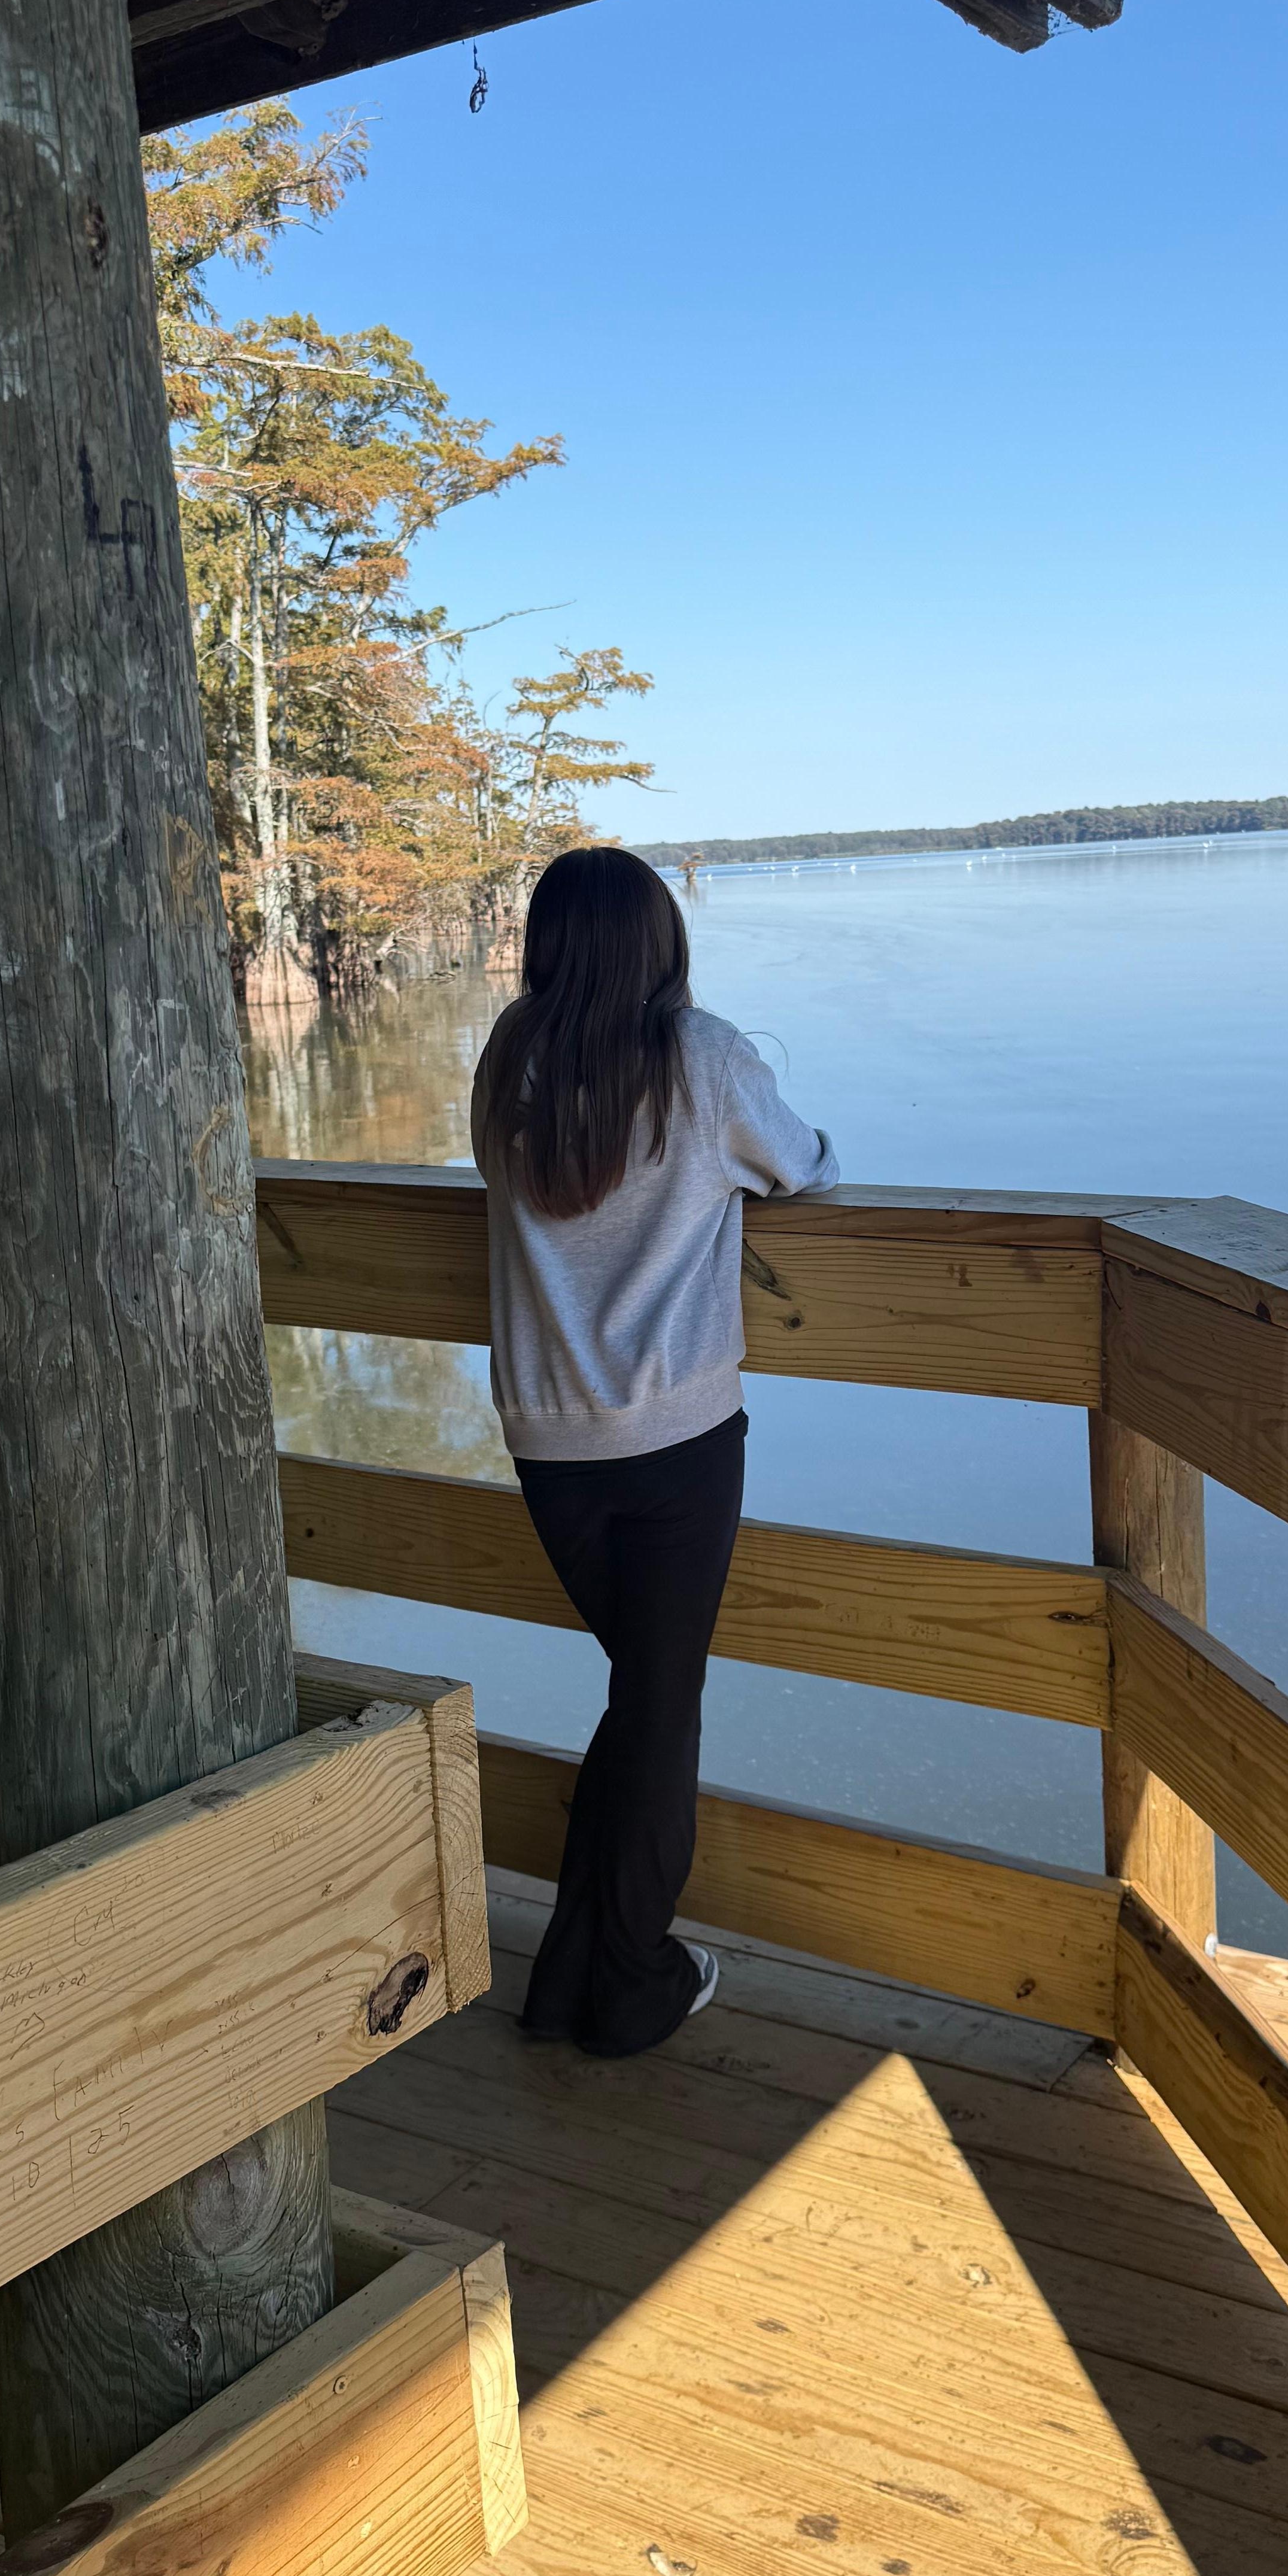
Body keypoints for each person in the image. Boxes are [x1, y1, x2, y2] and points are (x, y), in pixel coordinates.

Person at [472, 846, 837, 2055]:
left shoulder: (509, 1063)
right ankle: (627, 1987)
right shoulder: (704, 1057)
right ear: (659, 944)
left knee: (645, 1697)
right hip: (678, 1438)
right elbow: (809, 1167)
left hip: (549, 1442)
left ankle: (580, 1974)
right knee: (662, 1706)